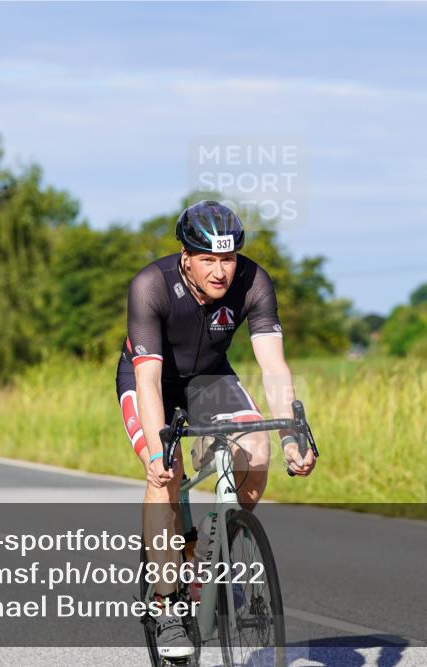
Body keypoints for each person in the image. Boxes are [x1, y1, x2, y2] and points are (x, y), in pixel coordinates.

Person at [115, 200, 315, 659]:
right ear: (185, 256)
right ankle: (166, 604)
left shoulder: (254, 281)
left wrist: (291, 436)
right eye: (208, 259)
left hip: (211, 378)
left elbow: (274, 367)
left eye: (228, 259)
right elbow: (146, 379)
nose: (221, 271)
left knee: (257, 453)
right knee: (163, 479)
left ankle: (208, 556)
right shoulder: (151, 286)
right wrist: (157, 452)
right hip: (152, 382)